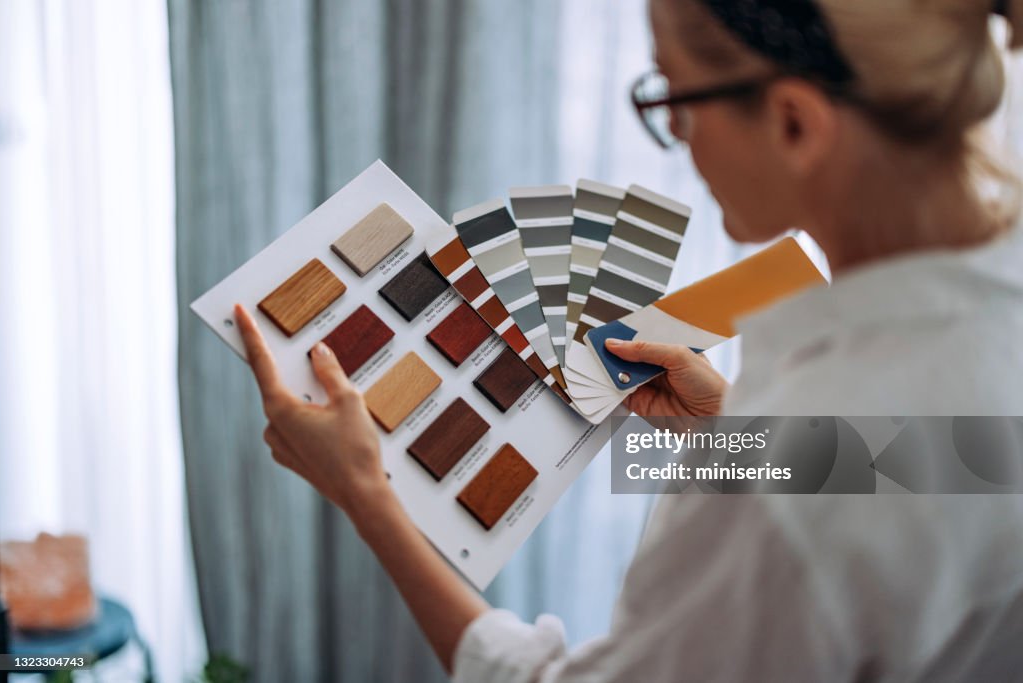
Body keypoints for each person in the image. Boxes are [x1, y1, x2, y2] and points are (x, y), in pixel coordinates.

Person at [234, 0, 1023, 680]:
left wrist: (369, 497)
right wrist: (741, 434)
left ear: (794, 121)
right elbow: (957, 467)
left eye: (674, 99)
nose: (677, 137)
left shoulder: (776, 498)